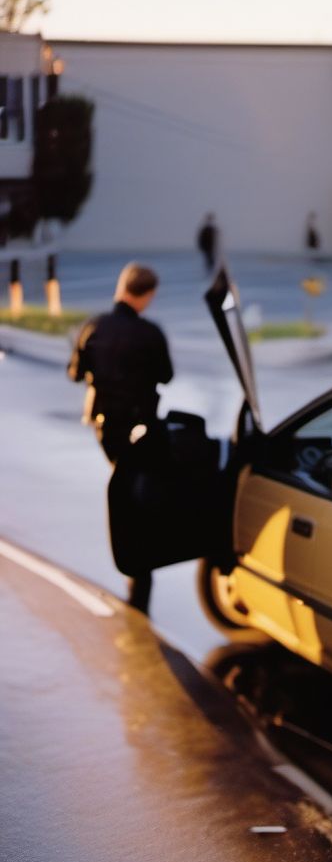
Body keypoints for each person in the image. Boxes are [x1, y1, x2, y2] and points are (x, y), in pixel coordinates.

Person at [68, 262, 173, 612]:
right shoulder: (150, 334)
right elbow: (166, 375)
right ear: (146, 295)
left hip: (105, 428)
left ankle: (134, 565)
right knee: (138, 495)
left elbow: (75, 372)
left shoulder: (94, 327)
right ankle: (138, 568)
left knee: (125, 489)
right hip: (140, 428)